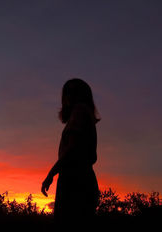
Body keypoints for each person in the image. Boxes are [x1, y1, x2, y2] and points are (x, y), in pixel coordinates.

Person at [41, 78, 101, 227]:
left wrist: (51, 173)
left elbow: (72, 149)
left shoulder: (80, 111)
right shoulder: (82, 113)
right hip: (79, 180)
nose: (66, 98)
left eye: (69, 93)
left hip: (75, 182)